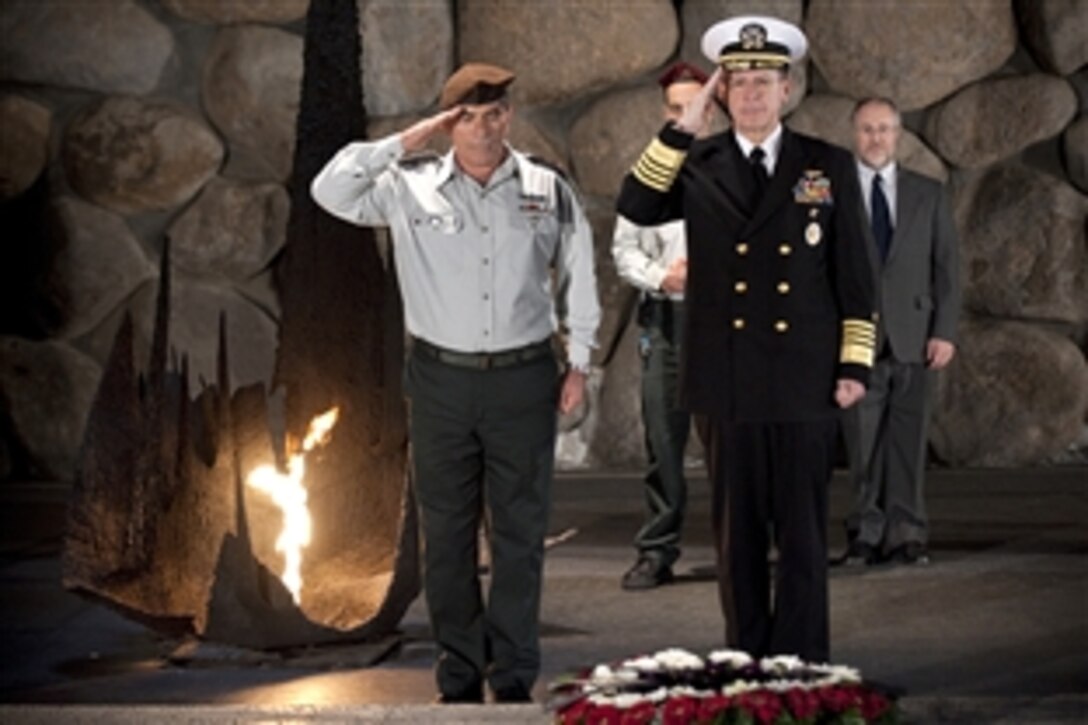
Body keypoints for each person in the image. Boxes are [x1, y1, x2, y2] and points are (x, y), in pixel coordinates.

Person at [310, 62, 600, 703]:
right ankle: (459, 676)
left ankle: (515, 674)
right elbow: (329, 191)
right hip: (441, 381)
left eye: (494, 113)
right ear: (448, 124)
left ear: (509, 117)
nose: (483, 128)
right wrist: (407, 140)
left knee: (521, 534)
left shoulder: (546, 189)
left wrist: (579, 360)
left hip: (525, 379)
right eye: (466, 117)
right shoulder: (407, 187)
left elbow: (579, 266)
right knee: (445, 536)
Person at [616, 16, 876, 663]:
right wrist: (684, 123)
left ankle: (803, 667)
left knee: (804, 539)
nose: (753, 94)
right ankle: (749, 666)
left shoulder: (827, 164)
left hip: (804, 379)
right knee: (736, 544)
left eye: (765, 81)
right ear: (723, 94)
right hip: (728, 381)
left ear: (787, 90)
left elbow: (855, 275)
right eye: (739, 83)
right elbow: (636, 204)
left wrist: (854, 363)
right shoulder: (696, 162)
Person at [835, 97, 960, 567]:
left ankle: (907, 532)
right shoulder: (837, 192)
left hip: (915, 333)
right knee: (862, 444)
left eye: (884, 129)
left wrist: (944, 330)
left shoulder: (929, 193)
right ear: (854, 134)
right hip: (857, 340)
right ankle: (865, 532)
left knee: (908, 442)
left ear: (898, 134)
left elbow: (947, 268)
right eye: (867, 129)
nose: (875, 138)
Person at [611, 61, 712, 591]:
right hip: (668, 320)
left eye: (696, 106)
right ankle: (656, 549)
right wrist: (660, 276)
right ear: (665, 112)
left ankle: (744, 544)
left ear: (711, 109)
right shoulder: (650, 172)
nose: (687, 116)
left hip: (725, 325)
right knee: (664, 443)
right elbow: (623, 250)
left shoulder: (730, 166)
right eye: (677, 108)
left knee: (736, 443)